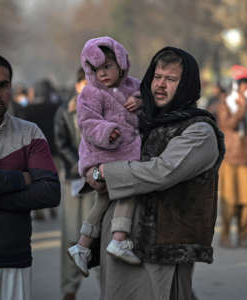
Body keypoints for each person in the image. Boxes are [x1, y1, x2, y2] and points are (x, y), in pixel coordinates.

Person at [86, 47, 225, 299]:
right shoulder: (144, 120)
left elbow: (161, 172)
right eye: (157, 77)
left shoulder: (199, 131)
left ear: (187, 85)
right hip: (118, 242)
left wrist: (106, 172)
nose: (160, 85)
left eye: (171, 80)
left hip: (162, 249)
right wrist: (93, 173)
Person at [0, 53, 60, 300]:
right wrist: (21, 179)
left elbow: (49, 191)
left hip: (15, 259)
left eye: (3, 85)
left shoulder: (29, 133)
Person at [67, 36, 143, 277]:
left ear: (121, 61)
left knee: (102, 200)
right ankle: (119, 239)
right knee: (128, 191)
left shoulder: (133, 86)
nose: (102, 74)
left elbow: (149, 99)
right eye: (96, 69)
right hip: (102, 158)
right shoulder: (90, 93)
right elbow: (87, 122)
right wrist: (107, 132)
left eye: (107, 67)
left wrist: (139, 101)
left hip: (123, 155)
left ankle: (82, 245)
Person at [54, 68, 97, 300]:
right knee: (72, 234)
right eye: (84, 82)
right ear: (77, 84)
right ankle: (69, 289)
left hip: (99, 182)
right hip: (74, 179)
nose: (88, 87)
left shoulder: (106, 108)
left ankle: (109, 289)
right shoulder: (65, 111)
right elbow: (60, 142)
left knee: (98, 235)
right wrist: (79, 164)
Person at [217, 77, 247, 248]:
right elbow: (229, 124)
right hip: (230, 158)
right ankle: (225, 235)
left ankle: (243, 235)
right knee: (229, 202)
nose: (246, 92)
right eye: (243, 88)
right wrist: (241, 108)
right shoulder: (226, 104)